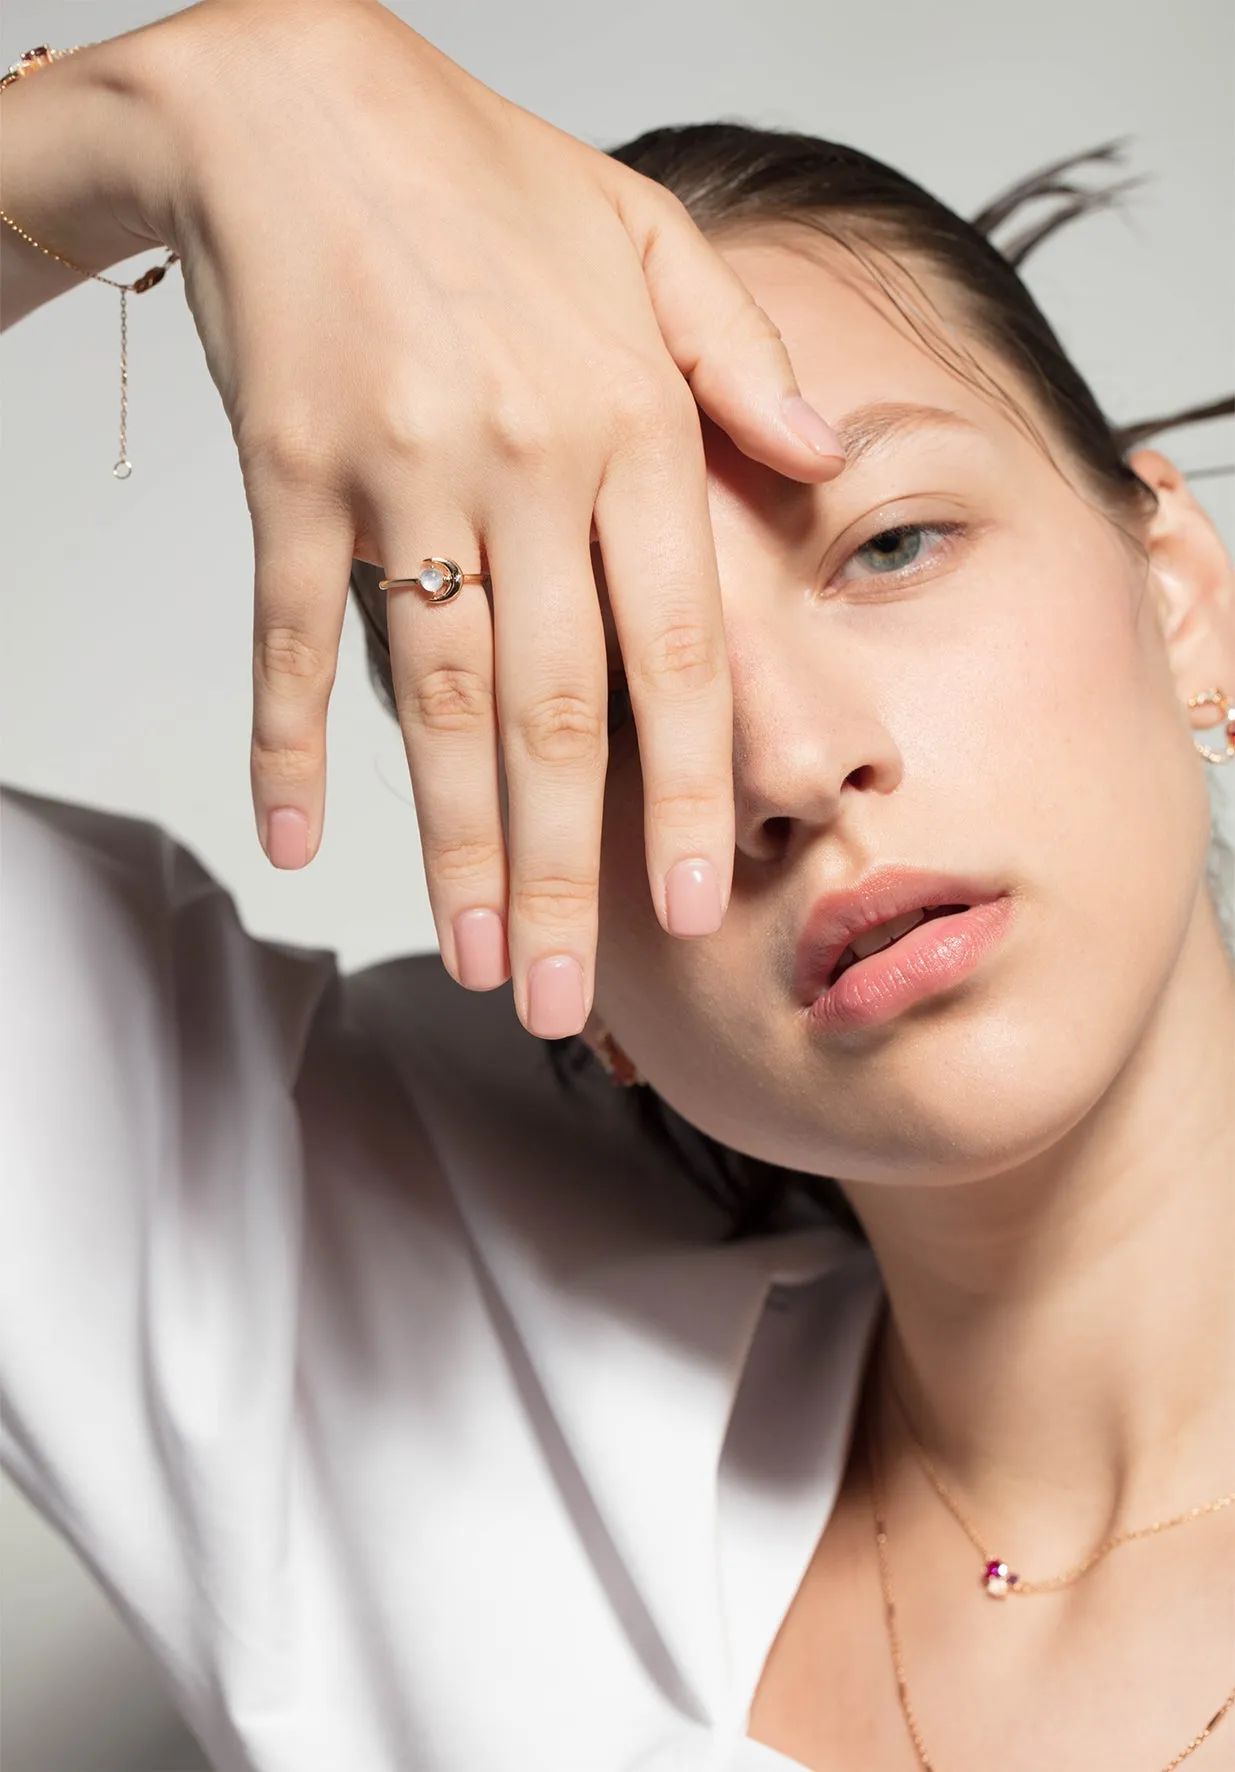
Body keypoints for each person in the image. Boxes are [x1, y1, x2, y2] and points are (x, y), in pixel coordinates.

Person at [2, 3, 1233, 1769]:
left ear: (1176, 593)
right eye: (613, 705)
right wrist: (159, 112)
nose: (793, 769)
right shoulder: (379, 1382)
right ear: (533, 917)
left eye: (891, 545)